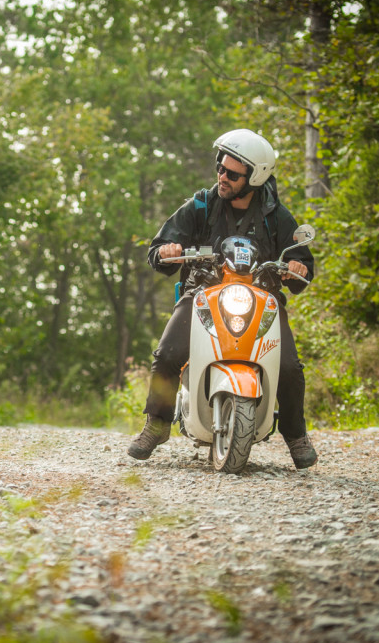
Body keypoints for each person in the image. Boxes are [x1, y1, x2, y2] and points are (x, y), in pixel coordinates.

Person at [128, 129, 318, 469]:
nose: (222, 176)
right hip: (203, 292)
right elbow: (158, 249)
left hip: (262, 297)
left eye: (232, 173)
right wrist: (167, 250)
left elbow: (303, 262)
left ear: (254, 177)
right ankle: (157, 423)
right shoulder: (201, 204)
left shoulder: (276, 215)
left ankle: (295, 434)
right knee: (167, 354)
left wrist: (295, 266)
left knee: (289, 366)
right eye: (220, 167)